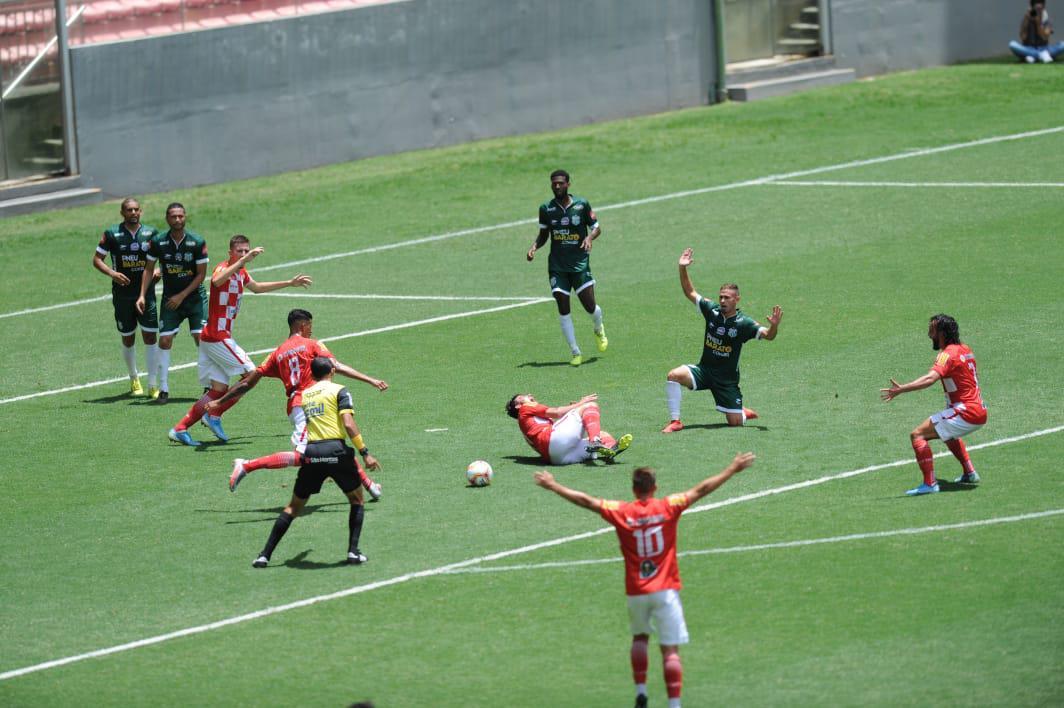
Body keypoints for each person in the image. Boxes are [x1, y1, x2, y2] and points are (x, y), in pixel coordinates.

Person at [534, 452, 756, 708]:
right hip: (665, 590)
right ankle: (674, 705)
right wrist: (732, 469)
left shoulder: (622, 511)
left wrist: (554, 486)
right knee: (670, 651)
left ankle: (641, 691)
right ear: (655, 488)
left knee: (640, 638)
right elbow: (702, 489)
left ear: (633, 489)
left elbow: (586, 501)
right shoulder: (668, 506)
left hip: (636, 591)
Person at [207, 309, 387, 499]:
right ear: (302, 325)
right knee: (304, 456)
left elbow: (247, 383)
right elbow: (336, 365)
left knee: (335, 444)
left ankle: (370, 486)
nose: (311, 330)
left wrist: (221, 401)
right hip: (308, 405)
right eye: (310, 325)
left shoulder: (277, 353)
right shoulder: (312, 344)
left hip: (301, 404)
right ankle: (246, 465)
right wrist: (370, 380)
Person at [167, 235, 313, 446]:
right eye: (240, 251)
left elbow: (257, 287)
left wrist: (289, 283)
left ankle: (180, 429)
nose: (244, 254)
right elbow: (216, 281)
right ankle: (214, 413)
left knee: (218, 389)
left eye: (246, 251)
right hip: (217, 336)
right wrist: (243, 261)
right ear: (230, 253)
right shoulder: (223, 269)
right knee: (251, 375)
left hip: (212, 338)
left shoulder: (241, 273)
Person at [252, 356, 381, 568]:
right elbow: (348, 424)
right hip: (336, 451)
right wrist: (365, 452)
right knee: (357, 500)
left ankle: (264, 555)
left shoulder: (306, 395)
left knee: (293, 507)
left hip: (312, 453)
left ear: (312, 374)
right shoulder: (340, 390)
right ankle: (353, 552)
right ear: (332, 371)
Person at [662, 248, 782, 432]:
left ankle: (740, 412)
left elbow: (769, 336)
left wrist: (774, 326)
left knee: (735, 423)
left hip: (726, 381)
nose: (723, 300)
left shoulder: (744, 323)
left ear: (737, 299)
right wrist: (682, 267)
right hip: (704, 371)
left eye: (727, 298)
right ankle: (675, 421)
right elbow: (689, 292)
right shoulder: (712, 311)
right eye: (721, 297)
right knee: (673, 375)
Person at [880, 314, 987, 496]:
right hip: (978, 410)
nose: (930, 335)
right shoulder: (964, 349)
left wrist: (902, 389)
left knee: (917, 435)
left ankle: (930, 484)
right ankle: (970, 473)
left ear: (942, 333)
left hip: (966, 412)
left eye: (932, 330)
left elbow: (930, 379)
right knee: (947, 432)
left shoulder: (947, 355)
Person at [526, 169, 607, 366]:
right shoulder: (546, 209)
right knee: (563, 306)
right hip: (557, 266)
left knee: (590, 307)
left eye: (561, 183)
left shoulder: (581, 205)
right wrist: (534, 246)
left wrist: (589, 238)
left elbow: (596, 228)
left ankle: (598, 328)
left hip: (579, 265)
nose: (557, 186)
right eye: (554, 183)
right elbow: (544, 234)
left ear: (568, 184)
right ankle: (575, 352)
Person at [135, 203, 208, 404]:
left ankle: (208, 384)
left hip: (194, 298)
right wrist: (142, 295)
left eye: (180, 216)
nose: (177, 220)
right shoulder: (158, 242)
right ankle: (164, 388)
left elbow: (201, 275)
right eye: (173, 216)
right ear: (167, 219)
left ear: (185, 217)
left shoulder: (197, 241)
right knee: (165, 340)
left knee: (201, 338)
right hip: (170, 299)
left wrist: (181, 296)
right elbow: (148, 269)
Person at [92, 197, 162, 397]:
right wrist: (112, 274)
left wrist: (160, 270)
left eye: (136, 209)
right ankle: (134, 379)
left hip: (146, 294)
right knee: (128, 338)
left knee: (150, 336)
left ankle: (152, 384)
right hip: (122, 295)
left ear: (141, 211)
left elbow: (165, 256)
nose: (133, 213)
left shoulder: (151, 233)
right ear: (122, 213)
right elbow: (97, 259)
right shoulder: (112, 234)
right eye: (129, 210)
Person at [506, 392, 632, 464]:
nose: (528, 395)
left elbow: (559, 424)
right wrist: (581, 403)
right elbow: (557, 413)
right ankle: (595, 442)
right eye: (522, 397)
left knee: (603, 435)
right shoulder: (525, 408)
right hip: (554, 442)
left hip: (557, 458)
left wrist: (574, 409)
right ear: (518, 406)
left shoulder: (529, 422)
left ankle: (611, 448)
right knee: (589, 405)